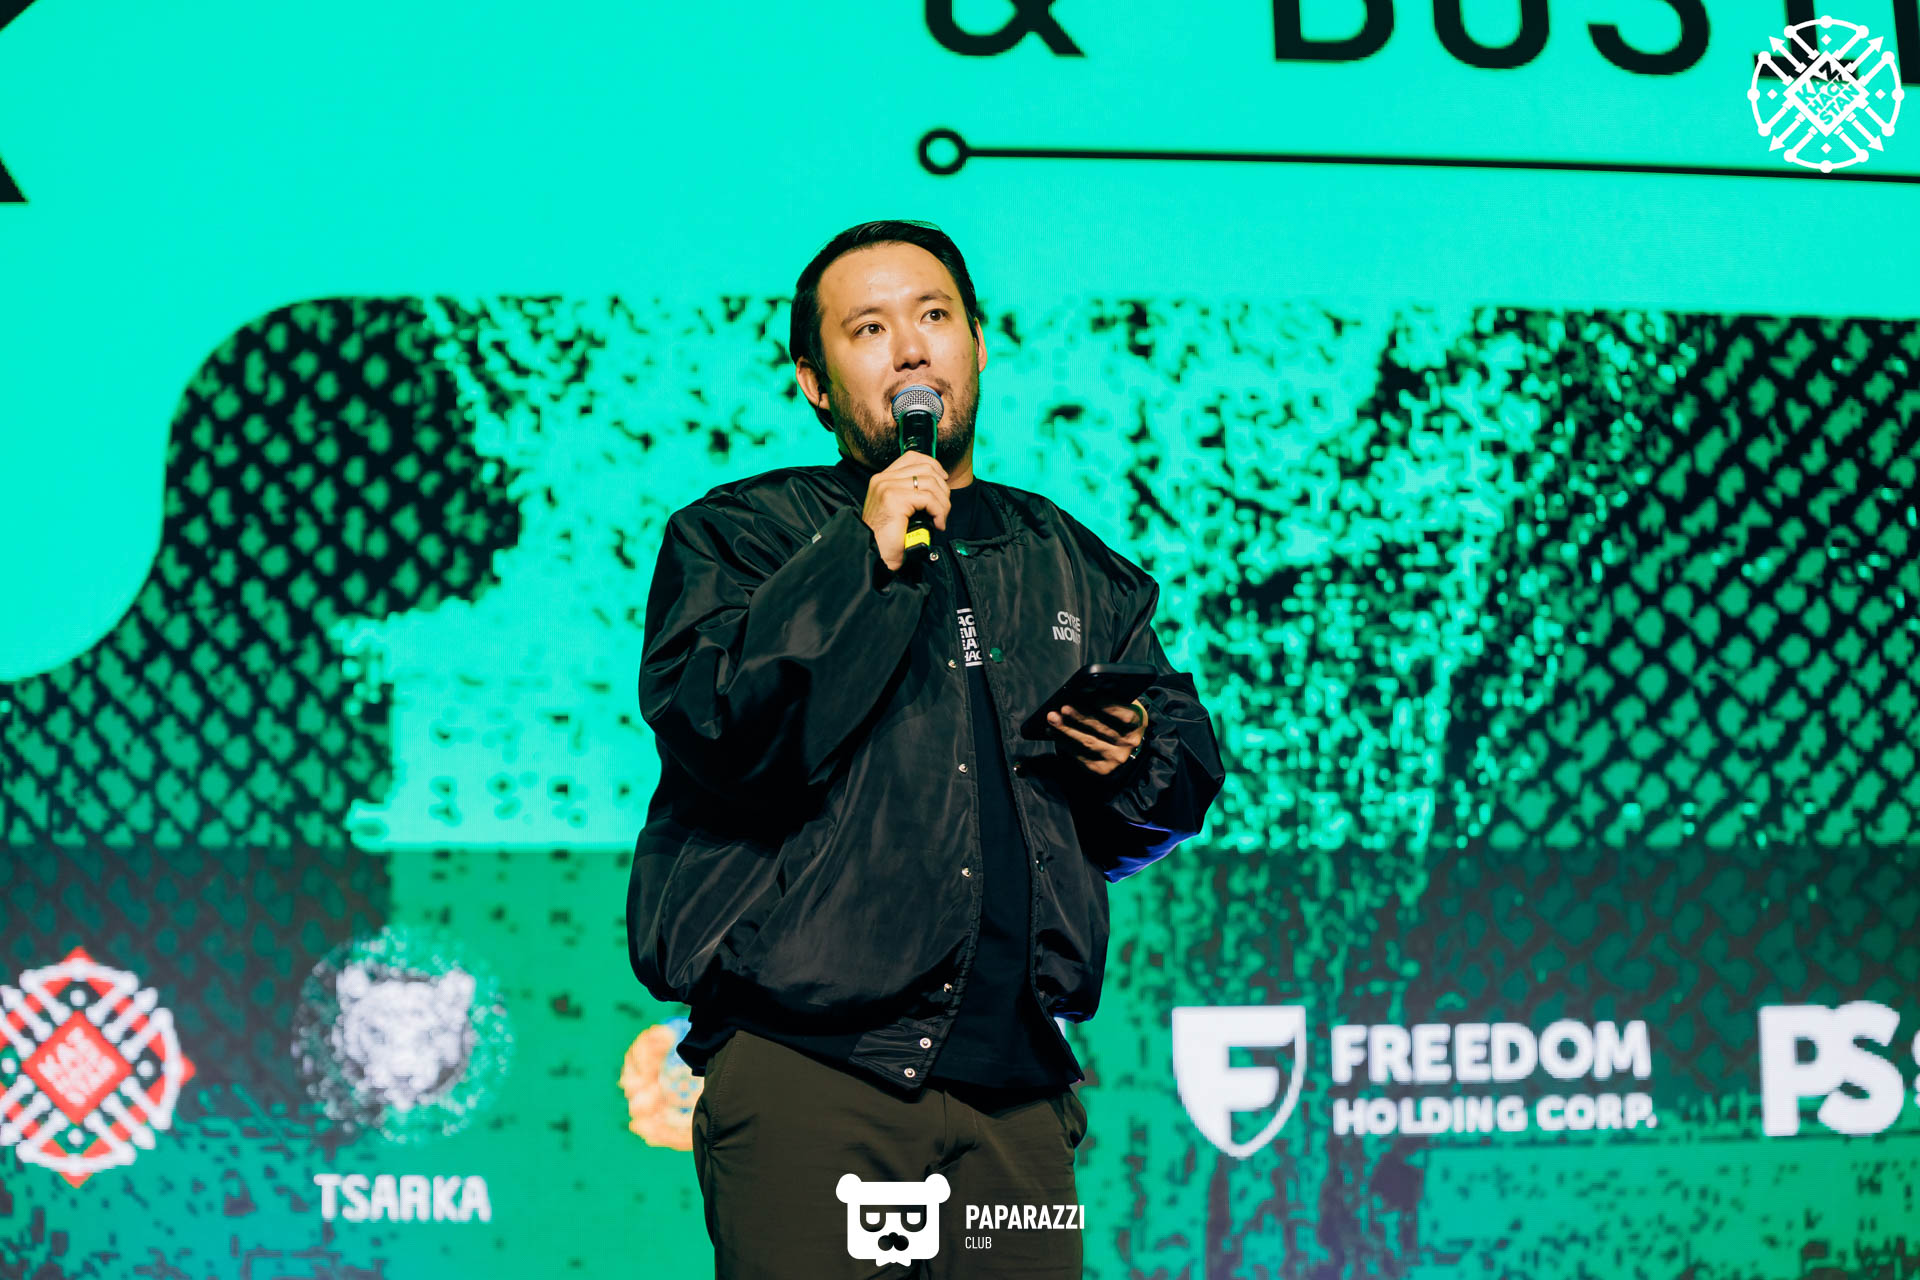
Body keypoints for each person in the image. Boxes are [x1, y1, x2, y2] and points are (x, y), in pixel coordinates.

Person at [627, 220, 1225, 1278]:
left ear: (978, 346)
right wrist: (859, 553)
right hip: (818, 1072)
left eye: (934, 316)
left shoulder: (1072, 562)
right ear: (815, 383)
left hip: (1017, 1096)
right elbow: (728, 731)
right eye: (868, 329)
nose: (910, 348)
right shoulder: (741, 536)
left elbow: (1169, 786)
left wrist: (1134, 758)